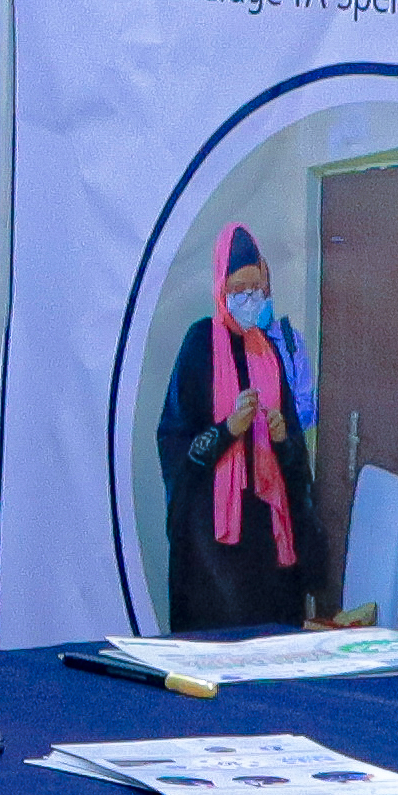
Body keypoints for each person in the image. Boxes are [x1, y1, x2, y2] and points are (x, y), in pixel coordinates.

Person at [152, 223, 321, 633]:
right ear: (221, 286)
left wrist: (281, 438)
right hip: (211, 552)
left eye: (257, 287)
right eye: (240, 288)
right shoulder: (200, 345)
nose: (251, 298)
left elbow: (295, 454)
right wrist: (228, 429)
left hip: (267, 546)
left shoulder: (270, 354)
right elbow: (174, 444)